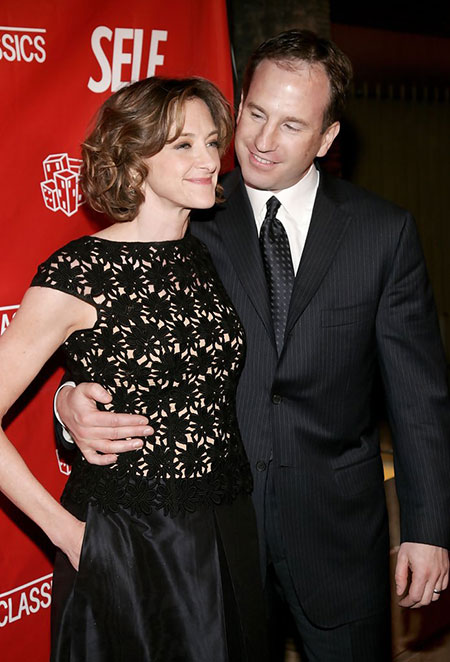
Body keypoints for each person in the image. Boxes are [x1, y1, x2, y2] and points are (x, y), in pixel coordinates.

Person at [55, 31, 450, 661]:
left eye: (292, 125)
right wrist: (69, 399)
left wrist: (428, 529)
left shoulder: (384, 233)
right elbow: (123, 335)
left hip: (337, 533)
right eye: (256, 114)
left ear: (327, 138)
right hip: (216, 536)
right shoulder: (188, 214)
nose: (263, 141)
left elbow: (419, 397)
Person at [0, 76, 268, 662]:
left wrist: (66, 394)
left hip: (227, 525)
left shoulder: (204, 251)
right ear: (131, 158)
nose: (209, 160)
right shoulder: (79, 272)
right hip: (130, 539)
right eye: (183, 145)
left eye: (211, 141)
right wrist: (67, 533)